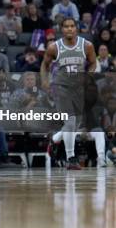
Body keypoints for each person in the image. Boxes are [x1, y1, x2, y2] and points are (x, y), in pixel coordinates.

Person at [41, 17, 98, 170]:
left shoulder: (87, 46)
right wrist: (45, 81)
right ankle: (71, 158)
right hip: (61, 87)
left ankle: (55, 138)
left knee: (75, 124)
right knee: (71, 121)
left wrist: (88, 76)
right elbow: (45, 65)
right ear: (62, 29)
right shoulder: (54, 47)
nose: (69, 29)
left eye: (72, 26)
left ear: (76, 28)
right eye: (66, 27)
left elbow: (93, 62)